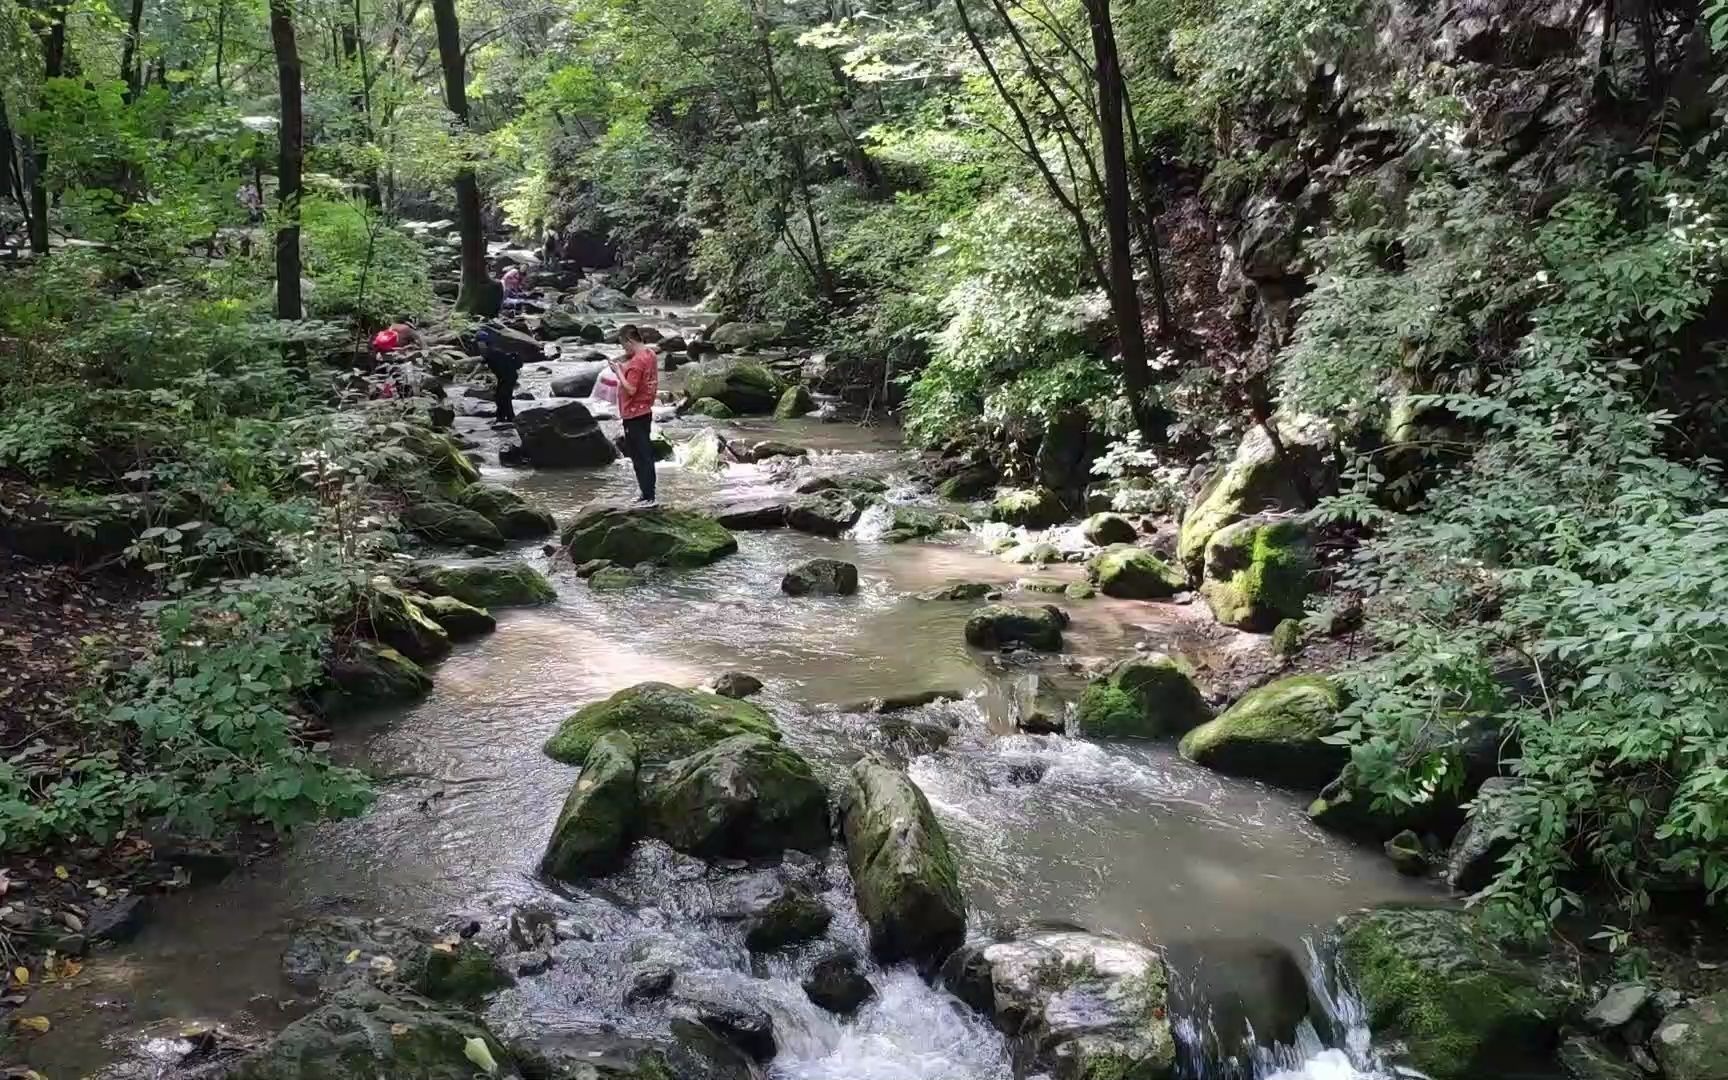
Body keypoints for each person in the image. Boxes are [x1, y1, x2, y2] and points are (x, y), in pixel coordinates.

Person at [612, 324, 660, 505]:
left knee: (640, 457)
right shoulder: (650, 354)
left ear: (630, 341)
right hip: (645, 410)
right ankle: (649, 493)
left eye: (624, 345)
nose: (624, 349)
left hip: (634, 414)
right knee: (645, 454)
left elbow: (631, 389)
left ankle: (647, 496)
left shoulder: (637, 362)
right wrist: (624, 367)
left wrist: (618, 373)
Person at [474, 322, 537, 426]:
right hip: (504, 376)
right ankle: (504, 417)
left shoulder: (493, 352)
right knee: (501, 396)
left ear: (486, 342)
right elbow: (482, 364)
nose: (479, 345)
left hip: (509, 376)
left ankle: (507, 418)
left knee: (503, 396)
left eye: (480, 342)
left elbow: (485, 361)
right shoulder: (490, 351)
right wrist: (470, 376)